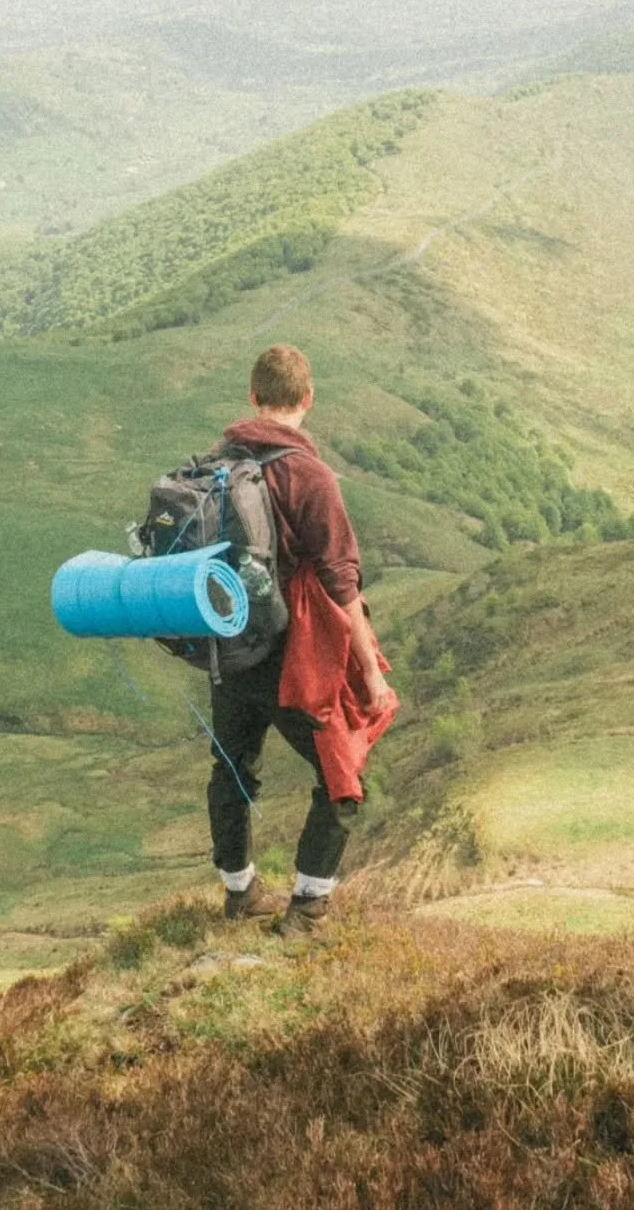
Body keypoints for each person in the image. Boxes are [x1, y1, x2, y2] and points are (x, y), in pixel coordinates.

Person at [208, 343, 396, 934]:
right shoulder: (310, 476)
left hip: (230, 649)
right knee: (343, 779)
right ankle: (309, 908)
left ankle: (240, 893)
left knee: (233, 767)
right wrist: (369, 673)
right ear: (308, 400)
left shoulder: (218, 465)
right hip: (294, 659)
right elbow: (342, 584)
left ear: (254, 397)